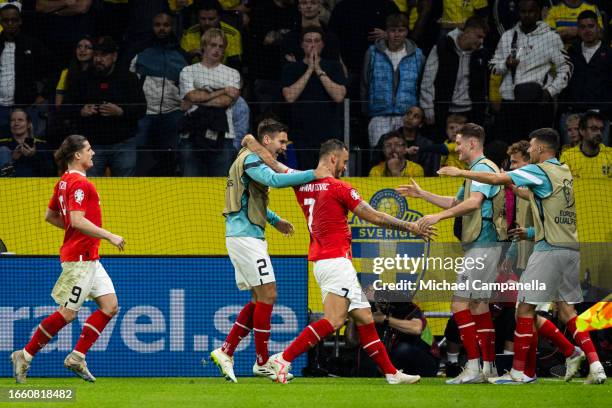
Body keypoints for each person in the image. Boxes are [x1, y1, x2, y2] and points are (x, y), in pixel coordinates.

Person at [242, 137, 435, 384]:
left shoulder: (303, 180)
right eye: (343, 161)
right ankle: (283, 359)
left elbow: (273, 163)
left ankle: (391, 373)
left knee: (364, 317)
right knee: (334, 320)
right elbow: (374, 216)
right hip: (336, 261)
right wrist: (410, 226)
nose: (345, 167)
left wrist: (251, 142)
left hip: (324, 262)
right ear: (333, 158)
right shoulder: (340, 188)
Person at [439, 127, 606, 385]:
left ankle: (520, 372)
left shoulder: (539, 170)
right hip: (570, 249)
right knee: (566, 311)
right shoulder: (564, 171)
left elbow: (498, 178)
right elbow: (539, 199)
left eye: (531, 146)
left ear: (540, 148)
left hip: (547, 250)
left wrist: (460, 172)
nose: (529, 150)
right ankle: (594, 364)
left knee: (524, 309)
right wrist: (527, 226)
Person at [210, 120, 326, 382]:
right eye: (281, 142)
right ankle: (262, 362)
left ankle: (226, 350)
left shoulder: (249, 159)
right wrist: (312, 173)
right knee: (269, 293)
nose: (284, 147)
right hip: (245, 238)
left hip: (247, 236)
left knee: (258, 298)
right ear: (266, 141)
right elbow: (274, 179)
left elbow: (250, 199)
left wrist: (275, 220)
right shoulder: (251, 159)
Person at [10, 134, 126, 384]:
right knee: (67, 313)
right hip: (80, 259)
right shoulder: (80, 184)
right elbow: (76, 220)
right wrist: (109, 235)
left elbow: (50, 216)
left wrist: (77, 231)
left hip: (89, 257)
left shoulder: (63, 182)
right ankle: (25, 355)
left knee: (110, 306)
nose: (93, 153)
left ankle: (77, 356)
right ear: (77, 155)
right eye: (89, 149)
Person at [398, 123, 507, 384]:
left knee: (458, 304)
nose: (455, 148)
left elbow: (474, 203)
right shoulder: (475, 171)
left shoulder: (481, 168)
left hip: (483, 245)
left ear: (472, 143)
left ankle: (471, 366)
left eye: (458, 143)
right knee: (479, 306)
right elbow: (457, 202)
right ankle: (488, 368)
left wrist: (438, 217)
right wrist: (422, 194)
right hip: (487, 246)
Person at [64, 36, 146, 177]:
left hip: (123, 143)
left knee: (125, 189)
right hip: (91, 145)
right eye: (96, 55)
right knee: (92, 190)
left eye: (103, 55)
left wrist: (121, 111)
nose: (98, 59)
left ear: (114, 56)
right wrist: (81, 111)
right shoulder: (81, 79)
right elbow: (65, 108)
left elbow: (141, 109)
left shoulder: (128, 78)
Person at [490, 0, 571, 143]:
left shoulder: (551, 37)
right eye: (523, 11)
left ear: (539, 12)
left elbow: (566, 67)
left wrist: (550, 91)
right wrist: (505, 64)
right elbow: (493, 66)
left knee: (538, 151)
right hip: (511, 104)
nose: (527, 15)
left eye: (531, 11)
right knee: (511, 150)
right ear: (518, 12)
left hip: (538, 104)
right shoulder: (508, 36)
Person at [130, 12, 189, 176]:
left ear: (172, 27)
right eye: (157, 25)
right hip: (145, 113)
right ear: (152, 26)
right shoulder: (140, 53)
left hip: (173, 113)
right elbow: (130, 82)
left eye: (166, 25)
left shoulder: (182, 55)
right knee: (141, 157)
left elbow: (188, 86)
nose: (162, 29)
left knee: (171, 157)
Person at [281, 26, 347, 168]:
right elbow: (290, 97)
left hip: (330, 135)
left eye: (316, 41)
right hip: (301, 137)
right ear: (302, 44)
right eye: (308, 41)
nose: (312, 45)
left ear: (322, 44)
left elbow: (339, 96)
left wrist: (318, 70)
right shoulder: (291, 69)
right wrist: (309, 70)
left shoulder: (334, 67)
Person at [178, 28, 241, 176]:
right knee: (191, 184)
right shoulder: (188, 71)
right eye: (213, 45)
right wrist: (222, 90)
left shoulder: (232, 73)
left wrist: (199, 98)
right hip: (191, 133)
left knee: (221, 186)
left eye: (221, 46)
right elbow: (192, 96)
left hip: (223, 134)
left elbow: (224, 102)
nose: (217, 50)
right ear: (203, 47)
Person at [361, 13, 424, 148]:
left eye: (401, 30)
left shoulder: (417, 55)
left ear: (407, 32)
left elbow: (420, 86)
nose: (396, 35)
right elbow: (365, 84)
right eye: (392, 30)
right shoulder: (372, 53)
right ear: (386, 32)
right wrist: (367, 112)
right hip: (379, 115)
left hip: (406, 116)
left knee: (404, 155)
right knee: (379, 155)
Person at [419, 15, 489, 134]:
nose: (481, 41)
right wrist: (428, 108)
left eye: (483, 38)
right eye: (479, 36)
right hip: (443, 111)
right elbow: (427, 79)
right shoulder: (442, 46)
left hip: (471, 112)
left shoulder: (482, 54)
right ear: (467, 31)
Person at [0, 2, 58, 136]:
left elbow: (55, 67)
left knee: (29, 147)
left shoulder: (32, 44)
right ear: (1, 22)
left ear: (20, 21)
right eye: (6, 20)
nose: (10, 24)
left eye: (14, 20)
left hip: (26, 107)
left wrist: (44, 95)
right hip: (0, 108)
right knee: (2, 148)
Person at [561, 10, 612, 144]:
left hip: (601, 116)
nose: (587, 30)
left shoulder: (609, 53)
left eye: (591, 26)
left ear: (598, 27)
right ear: (578, 30)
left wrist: (605, 111)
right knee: (571, 159)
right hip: (574, 115)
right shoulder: (571, 52)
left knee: (599, 160)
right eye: (582, 27)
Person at [180, 0, 242, 69]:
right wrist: (190, 55)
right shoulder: (188, 34)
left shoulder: (232, 34)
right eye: (203, 19)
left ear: (219, 17)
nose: (207, 23)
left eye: (211, 19)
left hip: (223, 75)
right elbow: (180, 63)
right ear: (197, 18)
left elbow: (235, 65)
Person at [379, 106, 439, 176]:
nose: (410, 118)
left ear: (421, 124)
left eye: (416, 116)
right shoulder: (386, 139)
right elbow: (378, 162)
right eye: (408, 113)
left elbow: (429, 172)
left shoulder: (427, 145)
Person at [0, 109, 54, 177]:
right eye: (13, 120)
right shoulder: (2, 144)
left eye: (20, 120)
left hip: (35, 184)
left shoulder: (42, 145)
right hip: (8, 184)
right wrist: (12, 160)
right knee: (3, 150)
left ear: (28, 124)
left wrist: (34, 155)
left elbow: (51, 172)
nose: (16, 123)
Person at [560, 111, 612, 178]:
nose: (572, 133)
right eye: (569, 130)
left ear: (581, 130)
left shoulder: (605, 152)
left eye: (576, 129)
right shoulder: (565, 152)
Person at [55, 37, 94, 108]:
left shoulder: (99, 72)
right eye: (79, 47)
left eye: (87, 47)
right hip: (71, 115)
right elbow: (58, 104)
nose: (82, 50)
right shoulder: (66, 73)